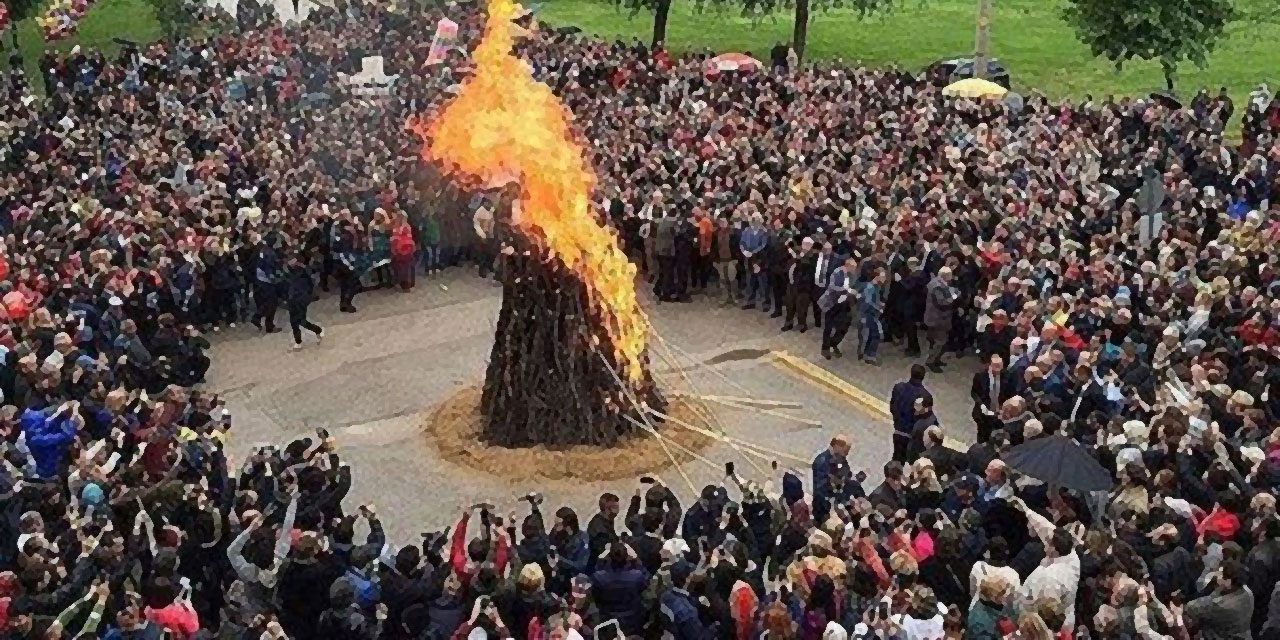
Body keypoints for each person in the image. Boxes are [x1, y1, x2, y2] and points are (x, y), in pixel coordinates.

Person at [889, 365, 932, 462]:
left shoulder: (898, 387)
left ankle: (894, 473)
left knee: (897, 458)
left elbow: (892, 407)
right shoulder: (926, 396)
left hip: (898, 430)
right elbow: (926, 419)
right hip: (913, 435)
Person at [818, 257, 858, 360]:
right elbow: (832, 287)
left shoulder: (850, 275)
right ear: (847, 265)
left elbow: (853, 285)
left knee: (844, 325)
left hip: (843, 304)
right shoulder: (837, 273)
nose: (854, 270)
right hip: (832, 303)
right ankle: (825, 349)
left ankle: (834, 343)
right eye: (853, 268)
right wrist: (846, 290)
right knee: (828, 327)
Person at [285, 253, 324, 351]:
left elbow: (307, 287)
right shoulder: (292, 271)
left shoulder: (303, 273)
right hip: (293, 299)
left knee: (301, 321)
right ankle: (299, 342)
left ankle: (317, 330)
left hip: (300, 300)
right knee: (294, 322)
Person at [923, 266, 958, 373]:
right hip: (938, 318)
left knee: (937, 340)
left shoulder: (937, 283)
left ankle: (936, 359)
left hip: (936, 318)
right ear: (945, 275)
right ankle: (931, 361)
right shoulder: (936, 287)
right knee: (940, 341)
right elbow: (942, 302)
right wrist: (954, 297)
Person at [970, 354, 1008, 444]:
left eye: (1000, 366)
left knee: (998, 435)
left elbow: (1009, 392)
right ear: (990, 365)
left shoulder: (1006, 377)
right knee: (983, 434)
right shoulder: (980, 377)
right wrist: (981, 405)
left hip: (1000, 413)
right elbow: (974, 393)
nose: (998, 369)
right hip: (983, 413)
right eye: (995, 366)